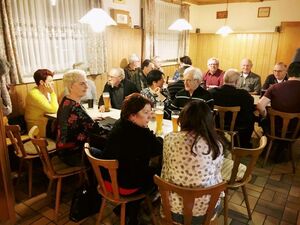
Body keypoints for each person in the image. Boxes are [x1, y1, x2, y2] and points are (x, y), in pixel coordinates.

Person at [100, 93, 163, 225]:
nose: (150, 116)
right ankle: (133, 211)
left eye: (150, 112)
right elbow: (158, 148)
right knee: (160, 172)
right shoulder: (142, 134)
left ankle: (128, 209)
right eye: (145, 113)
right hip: (125, 186)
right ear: (132, 114)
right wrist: (153, 135)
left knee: (139, 168)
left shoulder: (119, 124)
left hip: (106, 180)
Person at [161, 100, 224, 225]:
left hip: (172, 210)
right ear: (208, 121)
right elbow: (217, 175)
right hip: (205, 213)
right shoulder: (216, 145)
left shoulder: (169, 138)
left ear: (183, 118)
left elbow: (166, 169)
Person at [56, 69, 102, 166]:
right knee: (106, 153)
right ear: (71, 86)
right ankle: (98, 180)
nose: (87, 86)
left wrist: (90, 119)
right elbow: (96, 129)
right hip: (73, 154)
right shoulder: (75, 107)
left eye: (86, 83)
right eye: (82, 84)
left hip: (63, 150)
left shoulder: (66, 100)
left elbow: (79, 120)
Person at [209, 69, 255, 148]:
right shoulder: (243, 95)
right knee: (251, 117)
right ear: (237, 81)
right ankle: (243, 144)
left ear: (223, 79)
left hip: (216, 123)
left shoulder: (212, 92)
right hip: (237, 125)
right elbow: (250, 107)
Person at [25, 69, 58, 137]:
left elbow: (54, 108)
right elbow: (53, 109)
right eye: (50, 81)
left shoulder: (45, 91)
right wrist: (52, 93)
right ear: (42, 82)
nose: (53, 83)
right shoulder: (34, 94)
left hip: (44, 123)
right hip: (36, 128)